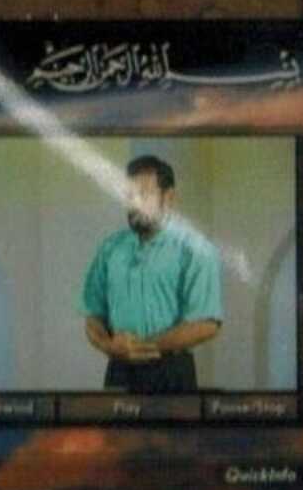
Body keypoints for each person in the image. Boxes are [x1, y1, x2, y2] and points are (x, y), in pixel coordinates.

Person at [80, 154, 224, 393]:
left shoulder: (195, 249)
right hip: (119, 370)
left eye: (144, 194)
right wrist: (109, 346)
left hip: (172, 372)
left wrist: (142, 347)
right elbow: (92, 315)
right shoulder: (110, 248)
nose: (134, 203)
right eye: (129, 195)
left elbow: (207, 324)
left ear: (169, 198)